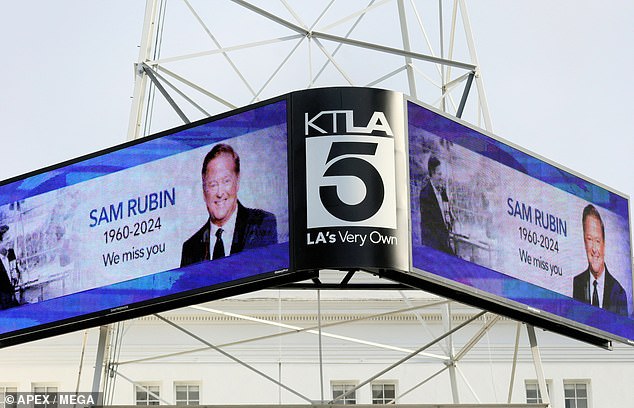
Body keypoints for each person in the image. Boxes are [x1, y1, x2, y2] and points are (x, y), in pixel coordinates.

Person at [180, 144, 278, 267]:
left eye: (226, 181)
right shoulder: (190, 248)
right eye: (213, 184)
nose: (220, 193)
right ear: (204, 190)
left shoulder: (261, 224)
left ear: (237, 182)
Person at [572, 204, 628, 316]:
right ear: (584, 242)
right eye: (589, 239)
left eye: (597, 241)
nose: (594, 249)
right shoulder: (578, 283)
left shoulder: (619, 292)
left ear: (604, 244)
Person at [419, 156, 454, 254]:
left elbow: (446, 212)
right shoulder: (425, 194)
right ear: (432, 174)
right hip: (434, 246)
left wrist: (450, 219)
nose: (442, 177)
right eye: (439, 174)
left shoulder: (443, 191)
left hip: (445, 241)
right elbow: (429, 226)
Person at [0, 225, 18, 309]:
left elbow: (15, 270)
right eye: (7, 239)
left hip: (13, 298)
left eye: (10, 238)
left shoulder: (11, 253)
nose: (10, 241)